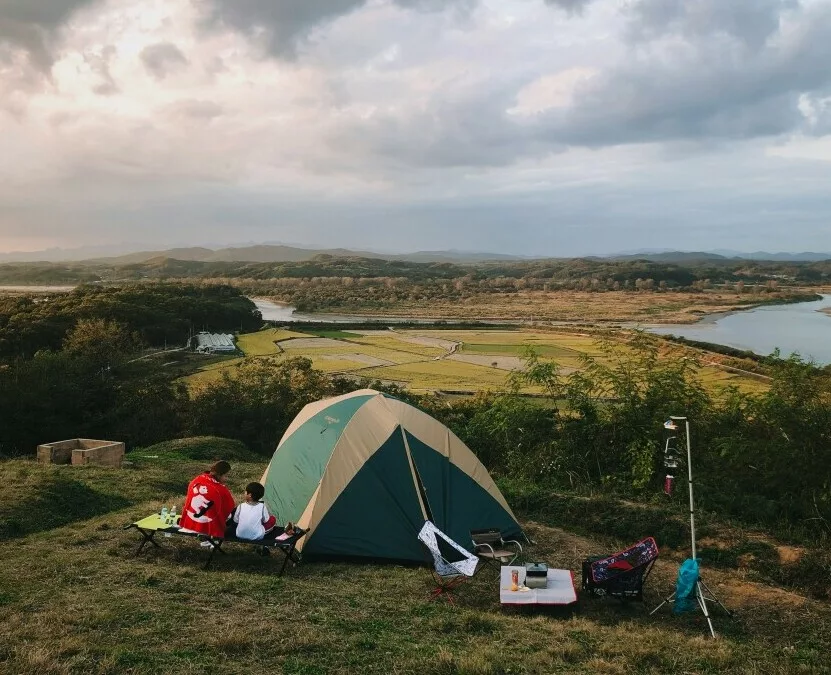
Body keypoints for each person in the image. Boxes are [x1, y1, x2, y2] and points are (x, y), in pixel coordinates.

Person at [178, 460, 236, 541]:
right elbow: (229, 507)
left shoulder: (196, 480)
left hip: (189, 523)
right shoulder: (221, 489)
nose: (226, 478)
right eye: (226, 475)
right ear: (219, 475)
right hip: (208, 527)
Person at [227, 482, 294, 542]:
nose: (244, 493)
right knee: (273, 519)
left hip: (239, 534)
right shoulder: (262, 506)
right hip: (256, 536)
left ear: (249, 495)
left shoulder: (241, 506)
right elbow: (266, 521)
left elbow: (236, 521)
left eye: (245, 492)